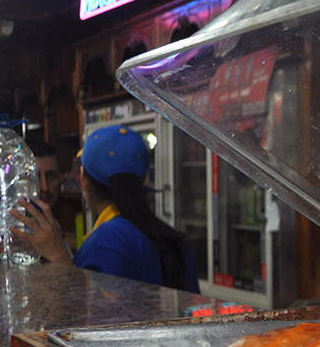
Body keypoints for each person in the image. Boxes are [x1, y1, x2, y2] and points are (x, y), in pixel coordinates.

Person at [13, 124, 200, 293]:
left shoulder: (105, 244)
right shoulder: (174, 243)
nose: (44, 187)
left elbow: (90, 319)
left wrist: (60, 259)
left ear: (84, 181)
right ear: (143, 180)